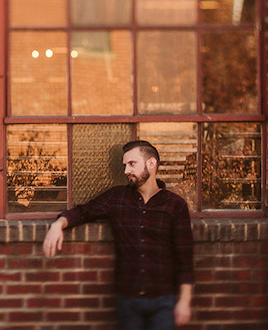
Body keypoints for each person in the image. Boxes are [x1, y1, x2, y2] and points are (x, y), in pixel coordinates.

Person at [42, 140, 193, 330]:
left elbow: (185, 258)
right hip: (128, 300)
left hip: (164, 300)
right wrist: (58, 224)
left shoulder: (175, 205)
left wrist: (184, 302)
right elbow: (83, 212)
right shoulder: (116, 198)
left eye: (132, 164)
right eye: (125, 166)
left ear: (151, 164)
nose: (126, 171)